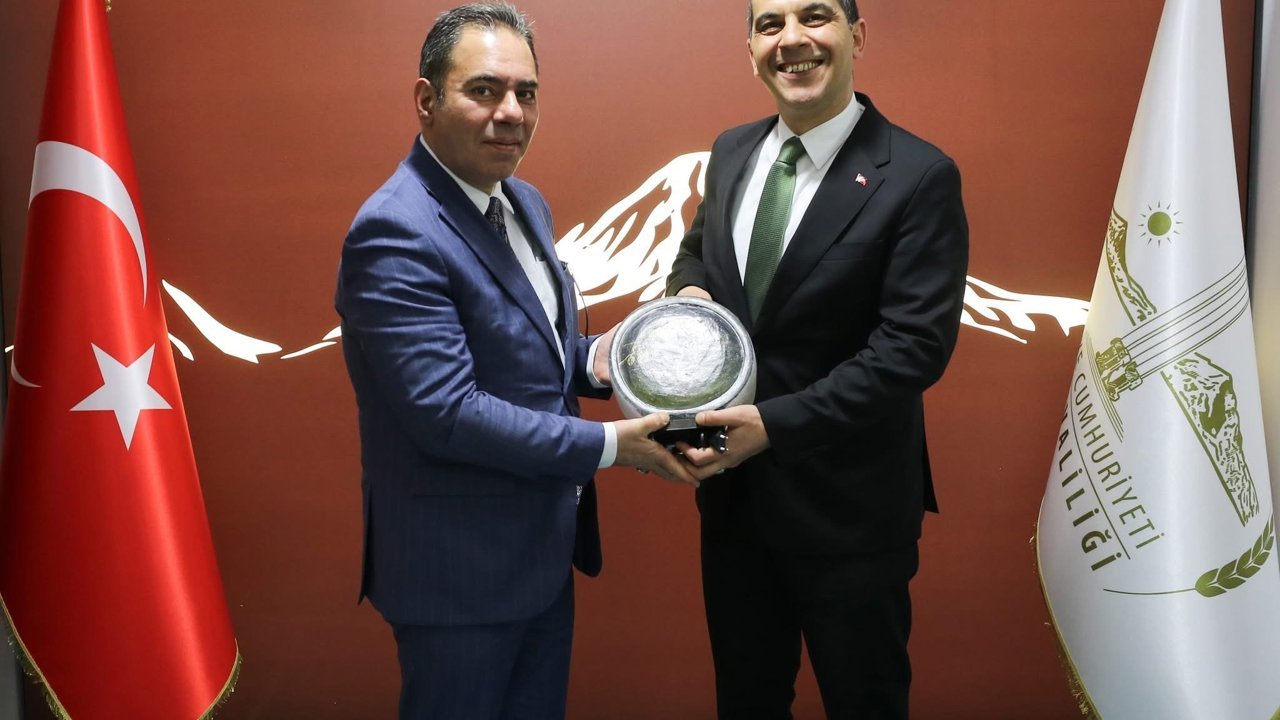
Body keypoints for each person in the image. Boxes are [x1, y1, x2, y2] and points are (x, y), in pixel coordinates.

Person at [335, 4, 695, 718]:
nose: (511, 112)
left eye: (526, 93)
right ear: (426, 99)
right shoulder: (394, 231)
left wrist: (615, 358)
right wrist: (614, 445)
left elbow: (532, 353)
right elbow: (447, 413)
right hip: (456, 578)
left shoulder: (523, 201)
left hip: (539, 558)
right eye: (484, 90)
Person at [665, 0, 969, 717]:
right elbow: (694, 252)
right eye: (770, 24)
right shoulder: (731, 151)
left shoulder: (919, 174)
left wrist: (772, 426)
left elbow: (912, 348)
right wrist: (692, 295)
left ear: (856, 35)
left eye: (815, 17)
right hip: (735, 506)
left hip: (851, 515)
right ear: (750, 49)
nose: (791, 40)